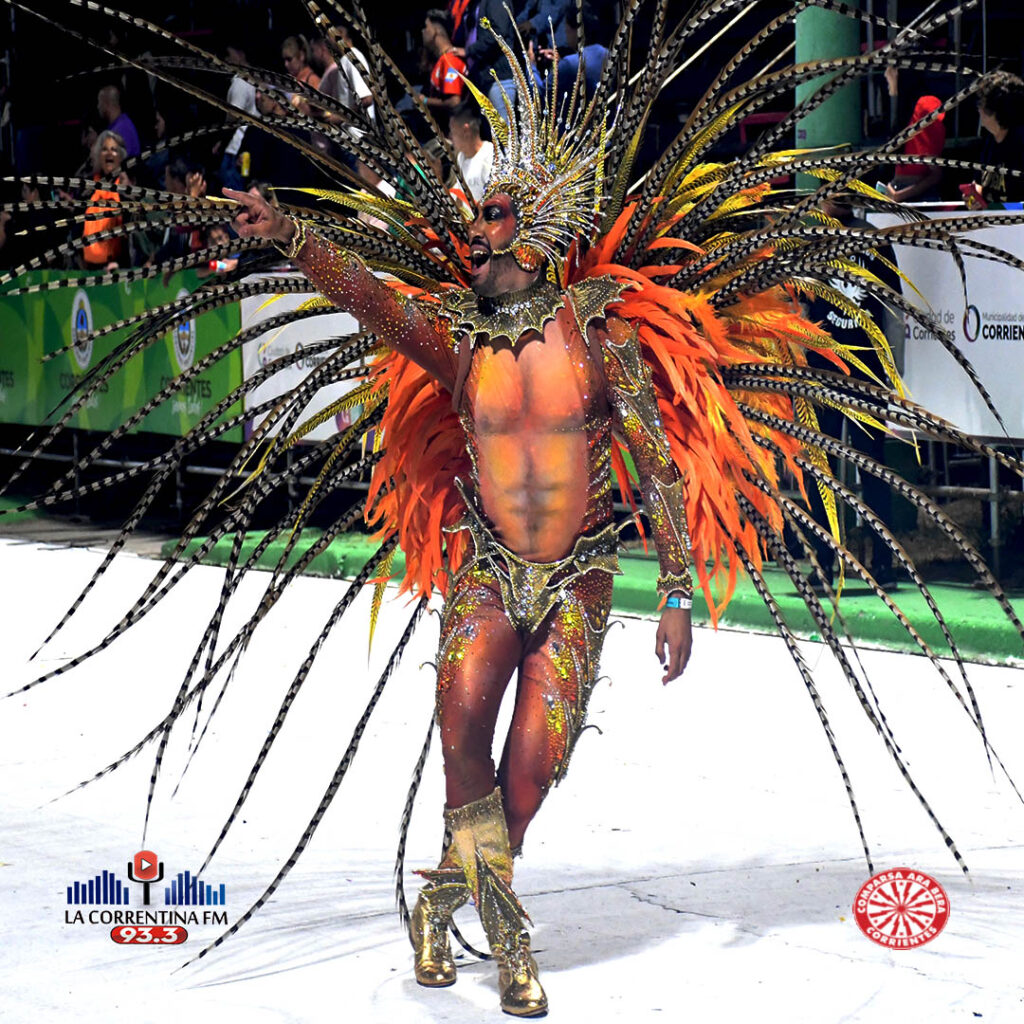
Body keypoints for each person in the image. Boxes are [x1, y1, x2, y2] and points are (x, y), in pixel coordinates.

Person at [225, 61, 695, 1014]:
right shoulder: (458, 338)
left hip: (579, 575)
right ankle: (509, 938)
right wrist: (293, 236)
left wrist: (678, 592)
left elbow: (657, 466)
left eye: (493, 217)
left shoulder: (600, 335)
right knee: (462, 729)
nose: (474, 233)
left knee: (532, 768)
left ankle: (444, 896)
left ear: (539, 231)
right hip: (487, 566)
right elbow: (372, 299)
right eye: (476, 220)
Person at [883, 68, 946, 203]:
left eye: (892, 69)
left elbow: (936, 174)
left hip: (920, 196)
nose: (886, 74)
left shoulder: (925, 106)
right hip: (897, 191)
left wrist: (901, 195)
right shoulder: (901, 109)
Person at [965, 70, 1024, 206]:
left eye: (980, 104)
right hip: (991, 218)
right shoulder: (990, 140)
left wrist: (996, 209)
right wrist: (973, 199)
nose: (978, 109)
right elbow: (979, 184)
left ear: (994, 109)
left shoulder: (1020, 144)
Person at [82, 129, 129, 270]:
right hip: (88, 269)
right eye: (104, 149)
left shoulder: (126, 190)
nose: (109, 153)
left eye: (114, 150)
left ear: (120, 157)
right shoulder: (88, 189)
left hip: (117, 268)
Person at [423, 9, 467, 132]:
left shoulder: (450, 60)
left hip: (456, 133)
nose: (423, 32)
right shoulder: (442, 60)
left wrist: (425, 100)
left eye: (426, 27)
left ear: (435, 31)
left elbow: (454, 102)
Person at [449, 101, 493, 201]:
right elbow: (459, 191)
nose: (450, 137)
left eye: (453, 132)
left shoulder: (489, 156)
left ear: (466, 131)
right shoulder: (461, 157)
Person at [96, 84, 141, 158]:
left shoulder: (122, 129)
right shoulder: (120, 124)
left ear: (106, 103)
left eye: (99, 102)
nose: (98, 107)